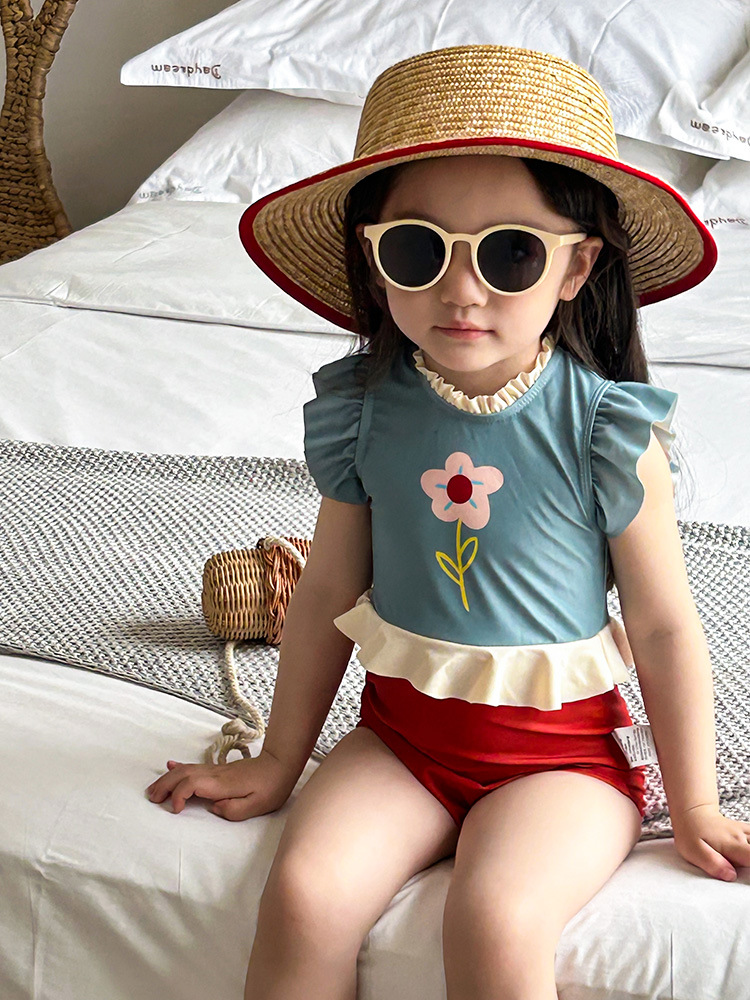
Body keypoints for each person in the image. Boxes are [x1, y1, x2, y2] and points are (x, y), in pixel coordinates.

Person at [145, 44, 750, 1000]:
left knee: (495, 919)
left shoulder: (605, 430)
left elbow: (667, 625)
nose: (461, 291)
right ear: (373, 259)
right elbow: (327, 588)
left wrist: (698, 803)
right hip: (402, 744)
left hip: (564, 766)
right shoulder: (363, 410)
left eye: (510, 253)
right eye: (418, 250)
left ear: (577, 266)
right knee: (303, 894)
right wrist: (279, 759)